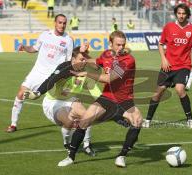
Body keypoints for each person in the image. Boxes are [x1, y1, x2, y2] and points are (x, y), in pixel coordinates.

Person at [57, 30, 143, 168]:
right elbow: (96, 62)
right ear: (110, 44)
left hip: (124, 99)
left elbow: (109, 78)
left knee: (137, 121)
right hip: (107, 97)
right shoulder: (107, 55)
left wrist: (86, 73)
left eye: (123, 45)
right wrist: (84, 54)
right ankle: (70, 157)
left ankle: (122, 156)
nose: (121, 48)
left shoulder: (128, 60)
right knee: (84, 121)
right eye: (118, 45)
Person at [24, 46, 100, 156]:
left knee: (87, 116)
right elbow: (51, 80)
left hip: (70, 99)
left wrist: (106, 102)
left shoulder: (86, 71)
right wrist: (38, 93)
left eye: (85, 59)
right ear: (73, 59)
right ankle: (67, 143)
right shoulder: (65, 67)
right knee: (69, 121)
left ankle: (87, 145)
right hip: (53, 102)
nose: (84, 62)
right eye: (81, 59)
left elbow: (94, 90)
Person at [6, 14, 74, 133]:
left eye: (64, 23)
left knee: (59, 102)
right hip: (37, 72)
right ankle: (13, 124)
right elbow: (34, 48)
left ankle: (73, 124)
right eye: (60, 22)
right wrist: (24, 47)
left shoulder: (68, 40)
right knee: (21, 93)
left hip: (53, 76)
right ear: (55, 23)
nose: (62, 25)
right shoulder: (45, 34)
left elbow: (68, 62)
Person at [142, 4, 192, 129]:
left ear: (187, 15)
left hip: (184, 65)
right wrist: (163, 59)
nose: (181, 15)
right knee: (158, 93)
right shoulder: (169, 27)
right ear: (176, 14)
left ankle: (190, 119)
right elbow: (160, 44)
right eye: (179, 13)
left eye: (183, 13)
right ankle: (147, 120)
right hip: (168, 66)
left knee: (180, 89)